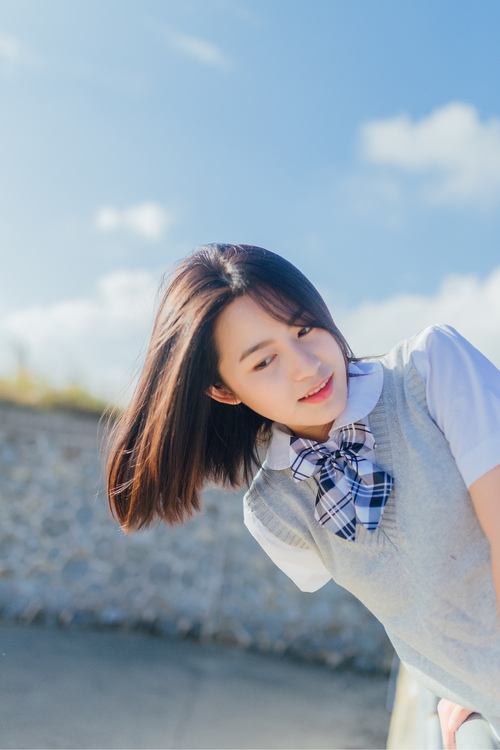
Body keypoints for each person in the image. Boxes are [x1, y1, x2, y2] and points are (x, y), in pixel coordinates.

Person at [106, 243, 500, 750]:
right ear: (223, 390)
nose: (306, 367)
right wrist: (463, 683)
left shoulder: (431, 370)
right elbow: (422, 611)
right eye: (265, 360)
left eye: (304, 328)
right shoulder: (276, 513)